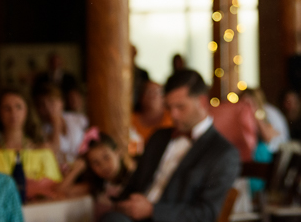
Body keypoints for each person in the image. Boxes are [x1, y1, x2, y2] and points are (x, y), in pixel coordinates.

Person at [101, 69, 241, 222]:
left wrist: (151, 210)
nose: (173, 115)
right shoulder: (158, 137)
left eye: (180, 107)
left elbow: (206, 213)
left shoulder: (223, 153)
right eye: (169, 107)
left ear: (201, 102)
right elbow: (134, 185)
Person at [0, 87, 63, 199]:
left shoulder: (42, 152)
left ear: (27, 111)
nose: (13, 113)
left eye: (18, 107)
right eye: (6, 108)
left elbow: (55, 189)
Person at [34, 82, 89, 172]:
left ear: (61, 102)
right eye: (42, 105)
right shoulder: (40, 130)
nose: (48, 108)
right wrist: (56, 125)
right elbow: (52, 153)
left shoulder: (78, 120)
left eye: (51, 102)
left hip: (82, 166)